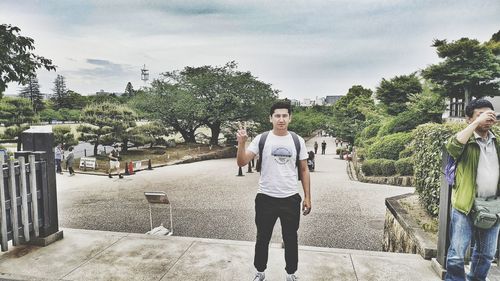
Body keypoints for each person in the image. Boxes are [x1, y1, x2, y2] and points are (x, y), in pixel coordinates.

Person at [236, 100, 311, 281]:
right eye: (277, 115)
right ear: (270, 118)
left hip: (290, 198)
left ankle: (291, 273)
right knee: (262, 238)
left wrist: (307, 197)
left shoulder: (297, 140)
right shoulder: (262, 139)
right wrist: (241, 143)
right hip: (265, 198)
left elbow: (304, 169)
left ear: (290, 118)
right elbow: (242, 162)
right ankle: (260, 272)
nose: (281, 119)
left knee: (291, 238)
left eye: (285, 115)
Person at [445, 99, 500, 281]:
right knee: (457, 255)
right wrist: (477, 122)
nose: (486, 118)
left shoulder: (497, 142)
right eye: (479, 114)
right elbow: (452, 146)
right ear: (469, 119)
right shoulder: (465, 142)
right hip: (465, 205)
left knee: (486, 255)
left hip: (492, 206)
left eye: (489, 114)